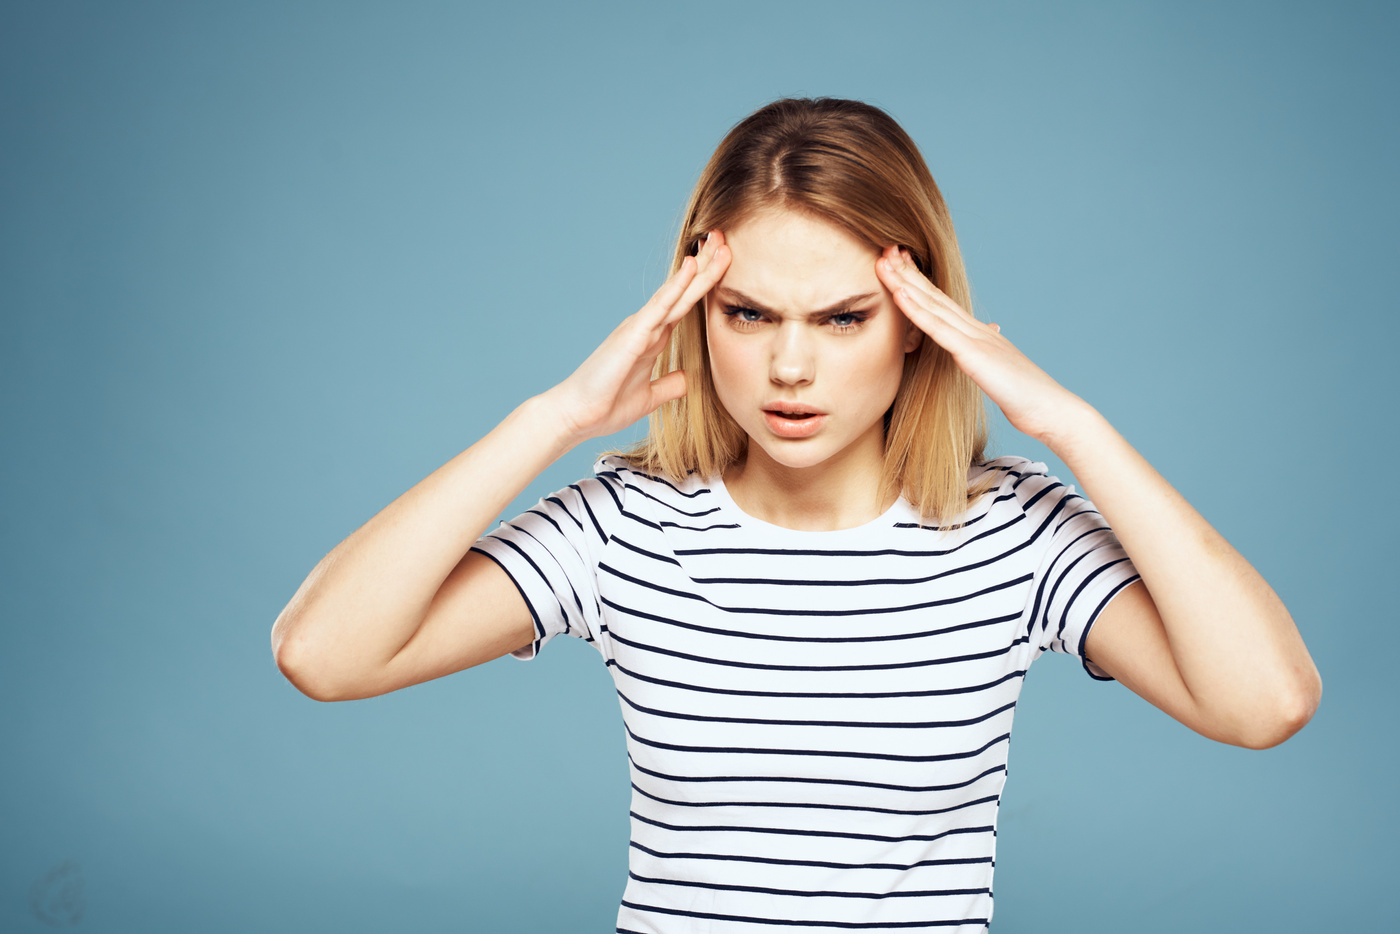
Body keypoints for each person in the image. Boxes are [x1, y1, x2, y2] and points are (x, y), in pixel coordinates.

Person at [271, 97, 1321, 932]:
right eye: (748, 313)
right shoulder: (621, 528)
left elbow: (1264, 701)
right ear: (695, 309)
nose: (787, 364)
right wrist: (551, 420)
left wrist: (1072, 425)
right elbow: (322, 653)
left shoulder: (1014, 534)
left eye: (841, 317)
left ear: (917, 324)